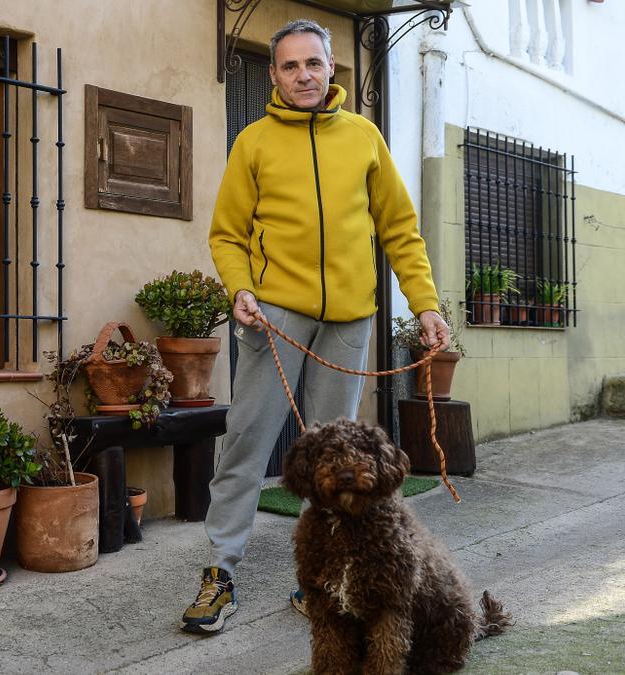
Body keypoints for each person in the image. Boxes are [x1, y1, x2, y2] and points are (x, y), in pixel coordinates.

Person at [179, 18, 451, 635]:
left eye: (313, 64)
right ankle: (220, 572)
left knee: (340, 459)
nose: (303, 75)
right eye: (290, 65)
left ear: (332, 71)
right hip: (275, 316)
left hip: (351, 320)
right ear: (274, 75)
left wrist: (426, 303)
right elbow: (227, 234)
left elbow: (400, 231)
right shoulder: (253, 141)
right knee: (248, 439)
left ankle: (324, 579)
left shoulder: (364, 137)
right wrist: (241, 289)